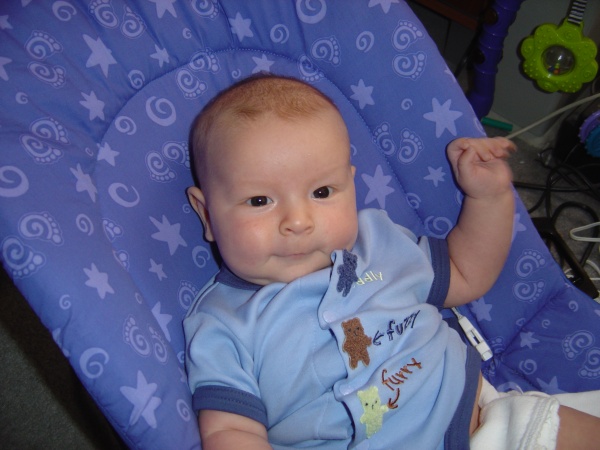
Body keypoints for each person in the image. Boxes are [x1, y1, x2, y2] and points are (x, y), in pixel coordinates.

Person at [183, 75, 600, 449]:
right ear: (207, 215)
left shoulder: (377, 245)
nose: (298, 221)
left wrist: (488, 198)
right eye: (259, 200)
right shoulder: (223, 323)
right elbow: (231, 430)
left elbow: (466, 273)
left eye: (322, 192)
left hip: (485, 422)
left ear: (351, 185)